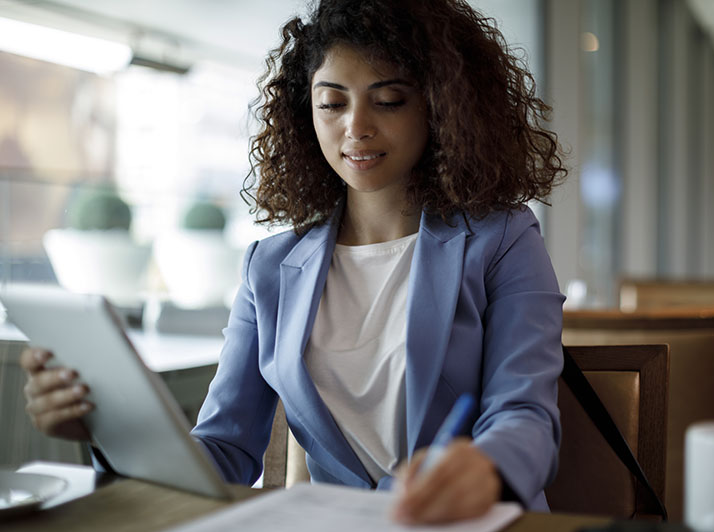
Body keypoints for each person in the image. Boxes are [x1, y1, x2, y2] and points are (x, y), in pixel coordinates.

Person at [20, 0, 567, 524]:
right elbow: (224, 448)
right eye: (332, 103)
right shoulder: (270, 266)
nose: (355, 127)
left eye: (389, 100)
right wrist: (108, 434)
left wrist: (487, 468)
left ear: (440, 106)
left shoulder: (503, 238)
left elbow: (525, 415)